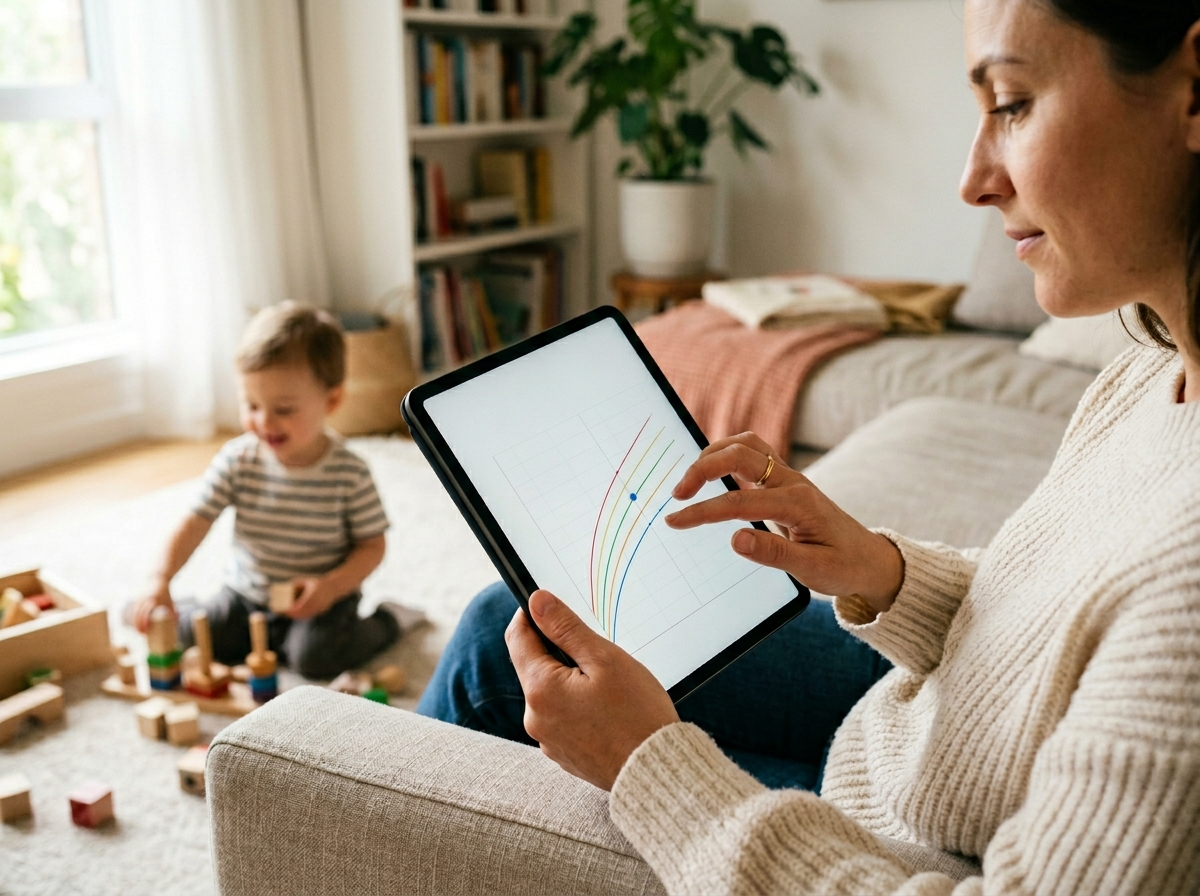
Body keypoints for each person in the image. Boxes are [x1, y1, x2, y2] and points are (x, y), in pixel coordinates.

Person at [419, 0, 1200, 892]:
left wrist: (650, 766)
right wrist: (879, 570)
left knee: (518, 661)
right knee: (506, 624)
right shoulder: (1154, 364)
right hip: (924, 746)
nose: (974, 180)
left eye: (1012, 103)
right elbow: (1067, 620)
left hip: (904, 842)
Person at [132, 303, 407, 679]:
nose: (264, 421)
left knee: (315, 659)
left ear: (331, 401)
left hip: (321, 601)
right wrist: (159, 581)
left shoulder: (349, 472)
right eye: (252, 405)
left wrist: (328, 588)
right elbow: (195, 521)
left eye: (283, 408)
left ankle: (389, 621)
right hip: (247, 596)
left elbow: (372, 547)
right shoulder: (237, 459)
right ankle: (179, 605)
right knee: (193, 637)